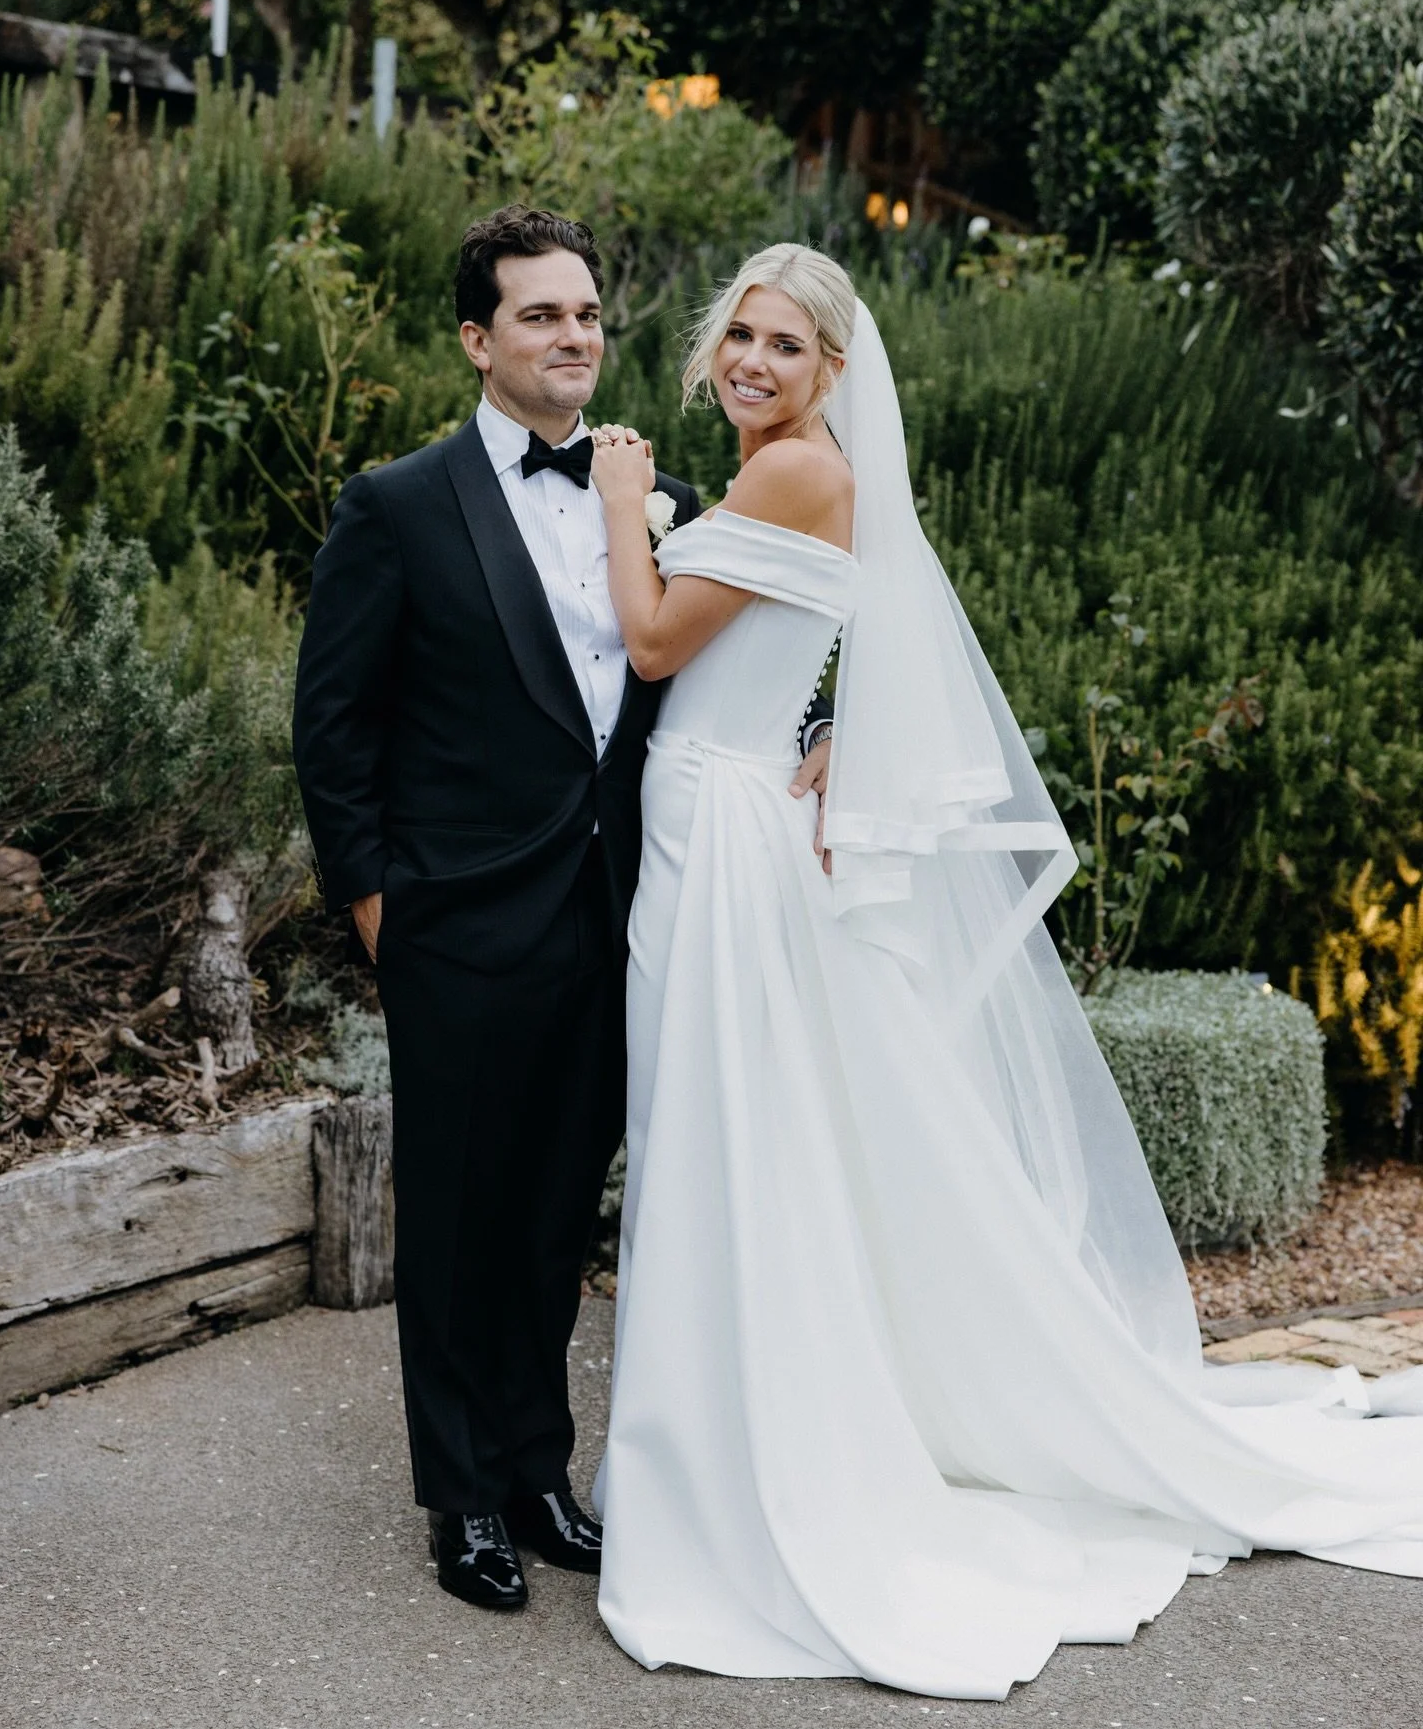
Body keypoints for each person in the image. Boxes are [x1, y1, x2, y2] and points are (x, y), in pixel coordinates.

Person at [588, 242, 1423, 1701]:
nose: (754, 365)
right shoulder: (799, 477)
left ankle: (726, 1472)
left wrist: (618, 507)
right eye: (741, 336)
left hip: (720, 837)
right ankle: (730, 1433)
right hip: (730, 820)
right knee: (735, 1143)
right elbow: (848, 627)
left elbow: (656, 644)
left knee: (711, 1143)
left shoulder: (790, 474)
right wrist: (835, 725)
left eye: (788, 347)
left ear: (835, 372)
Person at [291, 207, 834, 1614]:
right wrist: (376, 913)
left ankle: (539, 1472)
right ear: (479, 340)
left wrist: (838, 726)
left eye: (587, 313)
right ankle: (462, 1498)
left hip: (621, 908)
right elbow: (335, 730)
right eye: (540, 315)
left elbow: (753, 631)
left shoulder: (648, 487)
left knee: (549, 1218)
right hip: (457, 925)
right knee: (461, 1217)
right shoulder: (398, 506)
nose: (574, 336)